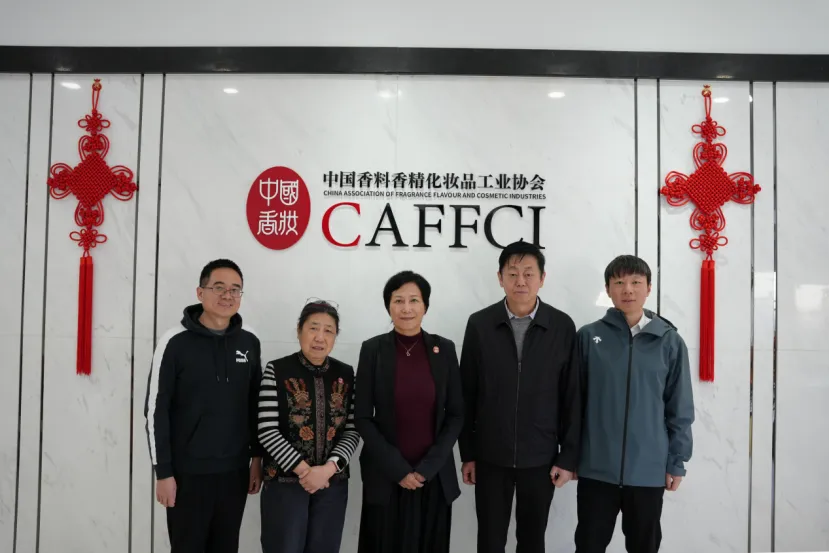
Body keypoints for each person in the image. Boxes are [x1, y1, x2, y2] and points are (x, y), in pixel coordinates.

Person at [458, 240, 582, 553]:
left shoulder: (561, 326)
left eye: (529, 273)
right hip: (490, 456)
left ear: (542, 278)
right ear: (500, 278)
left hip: (541, 457)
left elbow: (572, 396)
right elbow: (466, 394)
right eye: (512, 274)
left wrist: (568, 456)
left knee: (532, 540)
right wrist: (468, 453)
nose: (521, 281)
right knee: (490, 540)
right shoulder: (480, 324)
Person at [574, 255, 694, 553]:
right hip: (596, 469)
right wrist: (570, 456)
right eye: (619, 282)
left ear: (648, 288)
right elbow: (573, 404)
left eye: (636, 282)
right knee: (588, 546)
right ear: (608, 289)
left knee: (644, 546)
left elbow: (679, 408)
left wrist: (676, 461)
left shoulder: (670, 341)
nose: (627, 289)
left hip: (648, 471)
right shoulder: (588, 337)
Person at [144, 258, 264, 553]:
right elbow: (156, 410)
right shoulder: (174, 342)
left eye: (235, 289)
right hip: (187, 474)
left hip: (234, 473)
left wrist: (256, 459)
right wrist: (163, 473)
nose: (227, 295)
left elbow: (255, 405)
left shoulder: (249, 341)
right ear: (200, 293)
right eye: (218, 287)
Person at [355, 270, 464, 553]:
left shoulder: (444, 349)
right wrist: (399, 469)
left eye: (414, 300)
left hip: (433, 477)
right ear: (388, 306)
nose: (406, 308)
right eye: (398, 300)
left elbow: (456, 414)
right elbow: (363, 416)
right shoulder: (372, 350)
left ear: (425, 306)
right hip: (386, 475)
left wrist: (427, 468)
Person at [257, 299, 360, 553]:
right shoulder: (277, 370)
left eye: (328, 330)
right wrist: (305, 471)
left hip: (331, 484)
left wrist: (327, 469)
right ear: (299, 330)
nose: (320, 337)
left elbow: (352, 429)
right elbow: (267, 430)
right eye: (313, 328)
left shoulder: (346, 374)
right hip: (285, 483)